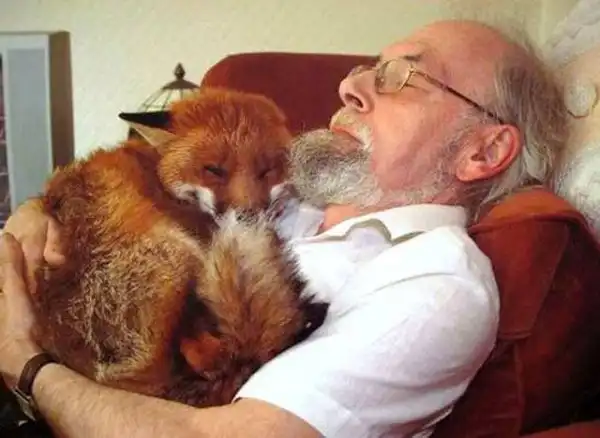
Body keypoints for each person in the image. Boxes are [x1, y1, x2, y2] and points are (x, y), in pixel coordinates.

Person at [0, 19, 567, 438]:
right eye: (367, 69)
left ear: (482, 151)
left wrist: (26, 366)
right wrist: (39, 211)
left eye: (400, 77)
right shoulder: (284, 194)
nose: (350, 87)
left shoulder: (437, 283)